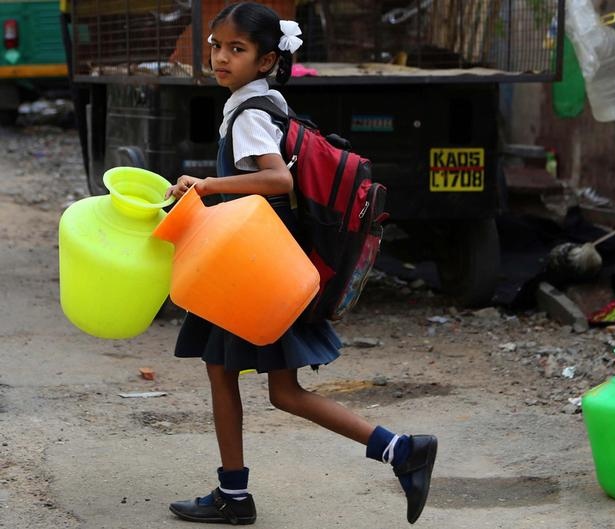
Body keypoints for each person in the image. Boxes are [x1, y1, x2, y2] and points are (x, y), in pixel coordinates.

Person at [163, 3, 436, 525]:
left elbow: (276, 181)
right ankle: (393, 453)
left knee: (259, 384)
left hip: (251, 267)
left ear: (265, 59)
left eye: (236, 49)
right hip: (263, 258)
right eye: (216, 45)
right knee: (244, 377)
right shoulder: (266, 101)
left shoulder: (247, 115)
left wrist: (209, 184)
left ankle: (398, 450)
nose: (221, 57)